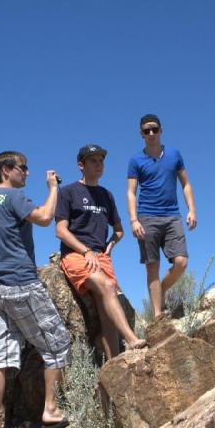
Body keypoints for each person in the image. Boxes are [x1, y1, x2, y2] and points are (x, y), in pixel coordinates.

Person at [0, 151, 69, 428]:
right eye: (23, 168)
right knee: (57, 343)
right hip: (20, 284)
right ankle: (50, 408)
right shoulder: (14, 196)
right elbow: (43, 217)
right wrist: (53, 188)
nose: (27, 173)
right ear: (6, 170)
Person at [55, 144, 148, 359]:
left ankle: (114, 364)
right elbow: (61, 230)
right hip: (76, 254)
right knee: (107, 287)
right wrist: (85, 250)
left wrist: (111, 245)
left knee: (106, 308)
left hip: (100, 256)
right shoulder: (68, 192)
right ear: (81, 165)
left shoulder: (106, 195)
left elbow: (119, 230)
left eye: (101, 161)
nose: (99, 165)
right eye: (93, 161)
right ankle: (132, 340)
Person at [127, 114, 197, 319]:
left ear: (161, 130)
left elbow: (186, 184)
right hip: (146, 217)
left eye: (154, 129)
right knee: (152, 266)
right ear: (141, 133)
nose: (151, 134)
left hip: (172, 216)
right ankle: (158, 315)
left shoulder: (175, 155)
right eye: (146, 130)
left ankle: (163, 289)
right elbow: (131, 192)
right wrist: (133, 220)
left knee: (181, 262)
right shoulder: (136, 160)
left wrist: (191, 209)